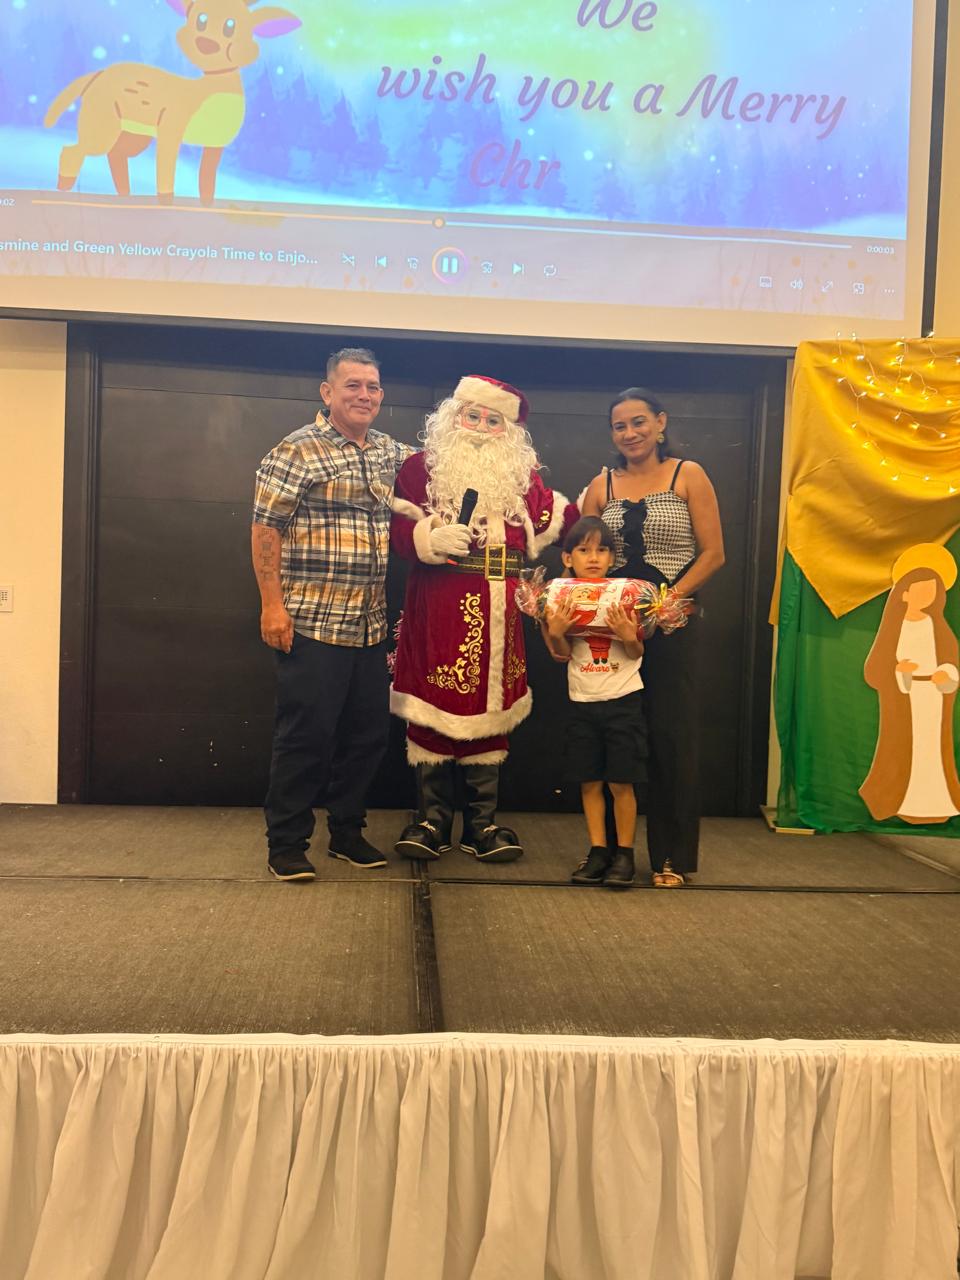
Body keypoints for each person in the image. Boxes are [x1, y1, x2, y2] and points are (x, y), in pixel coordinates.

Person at [389, 375, 575, 863]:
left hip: (501, 609)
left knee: (492, 708)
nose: (480, 427)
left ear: (508, 431)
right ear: (453, 416)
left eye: (493, 421)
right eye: (472, 415)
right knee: (432, 701)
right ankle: (431, 821)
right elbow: (398, 530)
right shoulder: (420, 468)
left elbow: (559, 519)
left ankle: (482, 824)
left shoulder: (521, 475)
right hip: (438, 603)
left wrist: (600, 505)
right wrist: (428, 539)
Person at [251, 347, 413, 880]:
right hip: (311, 623)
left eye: (373, 386)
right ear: (327, 392)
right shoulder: (296, 450)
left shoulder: (391, 452)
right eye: (353, 385)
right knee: (305, 738)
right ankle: (286, 844)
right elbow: (265, 529)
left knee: (367, 738)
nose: (364, 395)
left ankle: (347, 833)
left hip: (369, 626)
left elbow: (442, 467)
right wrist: (271, 606)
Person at [582, 386, 724, 886]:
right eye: (619, 426)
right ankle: (611, 853)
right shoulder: (601, 486)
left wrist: (664, 604)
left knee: (670, 737)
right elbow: (582, 553)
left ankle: (671, 858)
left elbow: (713, 553)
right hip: (614, 628)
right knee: (614, 737)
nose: (630, 433)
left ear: (660, 423)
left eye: (639, 422)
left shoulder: (689, 475)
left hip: (671, 626)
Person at [541, 517, 647, 888]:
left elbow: (636, 652)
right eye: (584, 550)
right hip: (582, 698)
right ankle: (598, 850)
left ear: (612, 558)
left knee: (621, 782)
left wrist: (628, 634)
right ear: (567, 557)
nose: (593, 558)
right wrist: (556, 632)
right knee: (589, 781)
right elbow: (561, 654)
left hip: (623, 699)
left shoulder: (625, 595)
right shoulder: (559, 596)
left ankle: (625, 853)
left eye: (602, 550)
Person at [860, 543, 960, 824]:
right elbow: (874, 670)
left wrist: (946, 674)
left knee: (931, 750)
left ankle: (936, 805)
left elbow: (951, 661)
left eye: (931, 590)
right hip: (903, 698)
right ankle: (901, 802)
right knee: (905, 750)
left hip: (934, 699)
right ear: (904, 593)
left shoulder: (938, 627)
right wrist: (899, 671)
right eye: (920, 590)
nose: (926, 596)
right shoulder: (894, 628)